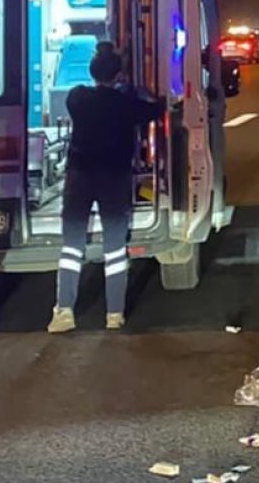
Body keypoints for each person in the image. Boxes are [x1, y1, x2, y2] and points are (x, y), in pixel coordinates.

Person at [49, 49, 165, 334]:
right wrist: (138, 90)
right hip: (113, 177)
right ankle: (114, 313)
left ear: (92, 72)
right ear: (118, 75)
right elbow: (156, 109)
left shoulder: (77, 97)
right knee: (114, 247)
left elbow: (86, 98)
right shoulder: (125, 103)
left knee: (71, 245)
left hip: (80, 176)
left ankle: (63, 311)